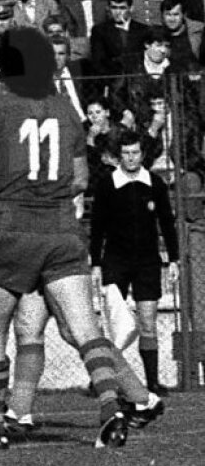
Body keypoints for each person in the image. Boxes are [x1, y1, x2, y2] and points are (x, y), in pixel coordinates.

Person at [0, 27, 130, 451]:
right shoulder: (66, 111)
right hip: (62, 231)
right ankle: (111, 408)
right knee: (86, 329)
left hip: (10, 230)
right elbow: (80, 177)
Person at [89, 130, 179, 396]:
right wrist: (96, 263)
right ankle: (103, 380)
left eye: (135, 153)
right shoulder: (107, 184)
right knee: (116, 327)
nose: (131, 158)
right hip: (115, 261)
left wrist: (174, 259)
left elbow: (167, 223)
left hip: (147, 262)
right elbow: (97, 227)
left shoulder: (155, 183)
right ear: (119, 156)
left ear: (143, 154)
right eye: (126, 153)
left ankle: (152, 382)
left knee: (148, 322)